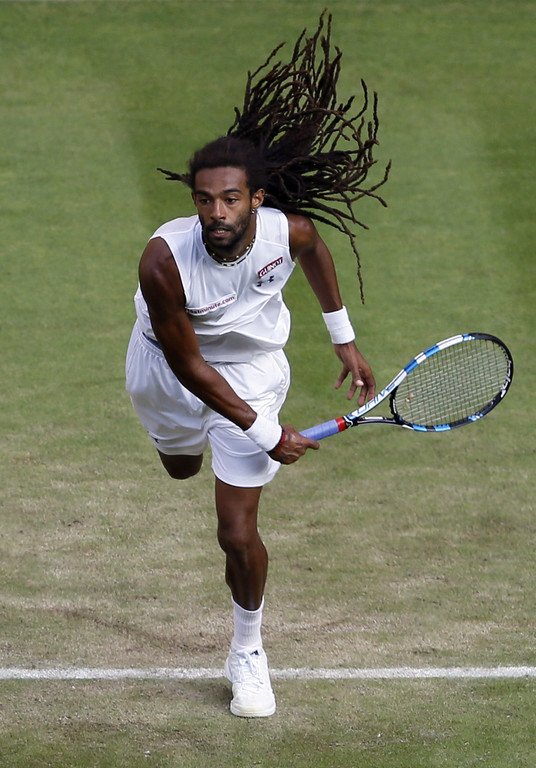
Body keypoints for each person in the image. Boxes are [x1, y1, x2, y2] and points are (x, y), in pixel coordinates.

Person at [126, 13, 388, 718]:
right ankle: (188, 445)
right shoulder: (163, 262)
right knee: (179, 466)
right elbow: (188, 364)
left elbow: (314, 249)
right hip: (168, 373)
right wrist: (268, 433)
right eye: (204, 199)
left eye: (230, 198)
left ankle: (247, 649)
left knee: (235, 531)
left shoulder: (286, 230)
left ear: (257, 199)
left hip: (252, 374)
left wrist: (343, 338)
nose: (216, 211)